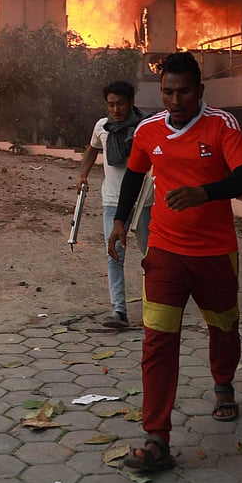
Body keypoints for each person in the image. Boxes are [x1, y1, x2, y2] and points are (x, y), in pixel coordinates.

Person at [108, 51, 242, 472]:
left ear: (200, 91)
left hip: (214, 254)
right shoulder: (148, 130)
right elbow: (136, 175)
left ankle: (223, 382)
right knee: (157, 341)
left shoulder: (221, 125)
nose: (176, 101)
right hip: (165, 253)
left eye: (184, 92)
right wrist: (120, 221)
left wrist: (205, 192)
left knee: (224, 326)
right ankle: (157, 437)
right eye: (168, 92)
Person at [75, 80, 152, 329]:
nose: (116, 110)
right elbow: (92, 149)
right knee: (114, 254)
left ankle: (158, 306)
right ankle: (119, 311)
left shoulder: (146, 127)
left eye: (120, 104)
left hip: (143, 201)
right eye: (111, 105)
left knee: (153, 255)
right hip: (112, 200)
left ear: (131, 102)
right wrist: (82, 174)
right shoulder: (102, 127)